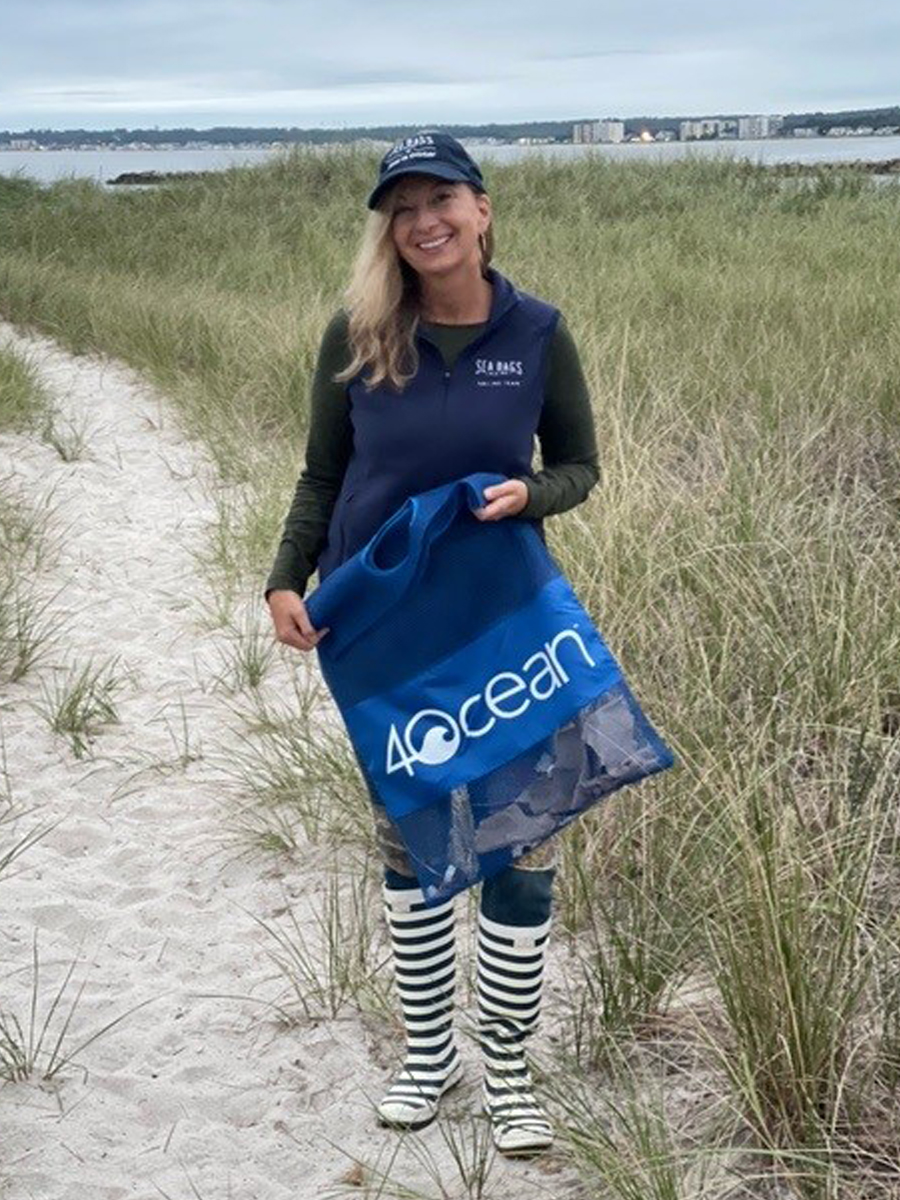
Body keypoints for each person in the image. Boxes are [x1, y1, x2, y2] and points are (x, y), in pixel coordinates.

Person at [265, 131, 599, 1156]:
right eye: (402, 206)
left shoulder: (537, 330)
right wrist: (286, 576)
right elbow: (324, 476)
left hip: (502, 614)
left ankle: (506, 1065)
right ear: (389, 228)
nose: (424, 220)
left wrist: (530, 494)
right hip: (384, 623)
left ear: (483, 208)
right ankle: (425, 1055)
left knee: (523, 829)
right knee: (412, 837)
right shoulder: (358, 333)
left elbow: (580, 464)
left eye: (441, 197)